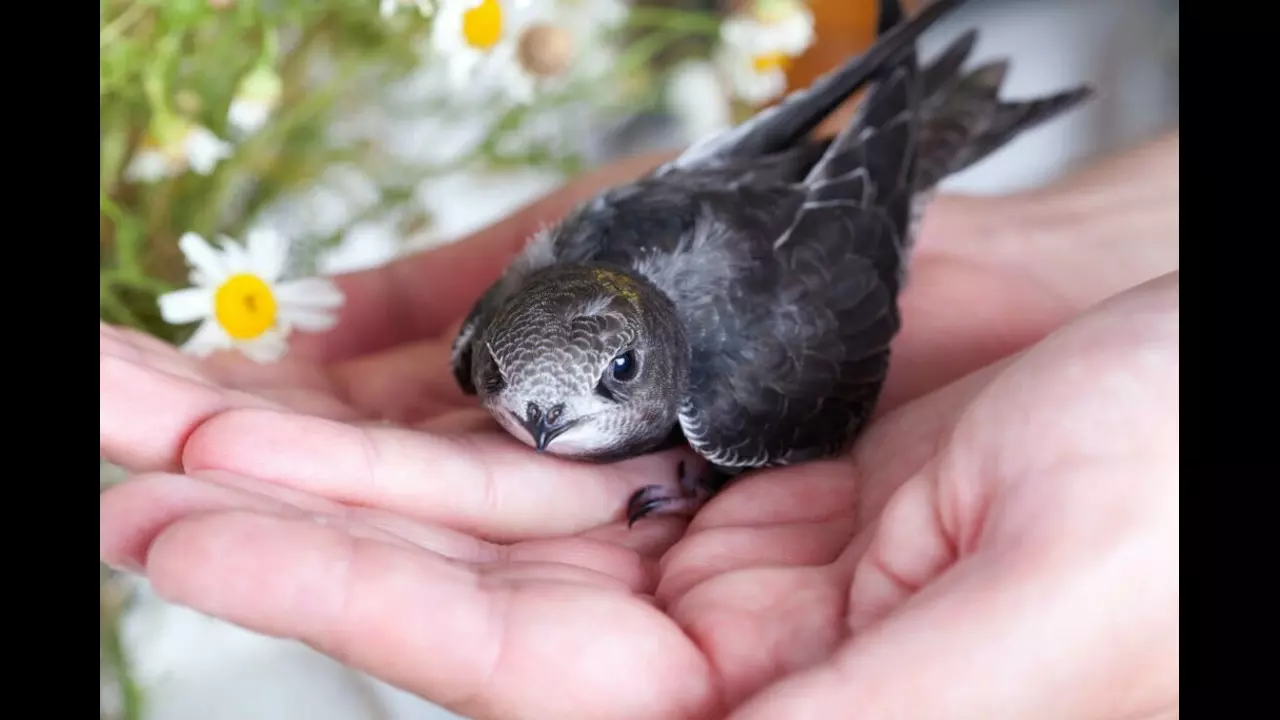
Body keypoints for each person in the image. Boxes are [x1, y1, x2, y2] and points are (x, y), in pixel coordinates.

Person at [100, 129, 1179, 720]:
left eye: (598, 383)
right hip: (759, 190)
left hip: (821, 226)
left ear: (648, 365)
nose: (534, 424)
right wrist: (1076, 231)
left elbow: (814, 245)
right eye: (511, 390)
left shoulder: (739, 389)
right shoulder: (487, 351)